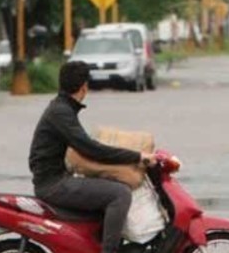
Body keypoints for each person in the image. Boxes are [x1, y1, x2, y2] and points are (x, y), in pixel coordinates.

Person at [29, 61, 154, 253]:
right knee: (119, 194)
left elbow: (85, 146)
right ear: (84, 86)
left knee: (106, 185)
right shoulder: (61, 112)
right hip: (53, 184)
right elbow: (91, 149)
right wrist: (137, 156)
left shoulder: (62, 108)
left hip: (55, 178)